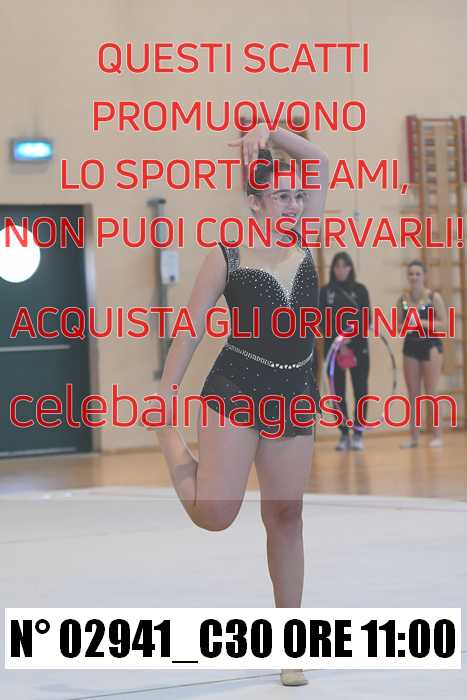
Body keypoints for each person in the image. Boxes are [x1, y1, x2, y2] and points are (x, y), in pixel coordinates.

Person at [147, 123, 329, 687]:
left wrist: (270, 132)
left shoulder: (307, 239)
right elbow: (192, 326)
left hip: (294, 394)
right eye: (281, 196)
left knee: (287, 516)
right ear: (254, 203)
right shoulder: (227, 255)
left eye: (297, 196)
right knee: (214, 514)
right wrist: (166, 393)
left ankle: (292, 645)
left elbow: (320, 159)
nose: (293, 205)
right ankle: (166, 438)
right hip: (238, 389)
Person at [319, 253, 372, 451]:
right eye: (337, 266)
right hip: (334, 349)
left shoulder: (360, 290)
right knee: (337, 393)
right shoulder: (325, 292)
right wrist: (339, 341)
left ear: (351, 268)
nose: (341, 270)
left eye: (345, 266)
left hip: (358, 349)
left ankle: (358, 433)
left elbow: (366, 319)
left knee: (361, 391)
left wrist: (350, 339)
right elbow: (321, 320)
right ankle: (343, 434)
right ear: (332, 269)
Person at [397, 260, 447, 448]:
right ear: (407, 276)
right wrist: (407, 324)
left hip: (430, 345)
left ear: (424, 276)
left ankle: (437, 435)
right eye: (411, 274)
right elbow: (398, 327)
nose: (414, 277)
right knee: (413, 394)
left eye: (418, 274)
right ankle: (414, 437)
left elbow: (444, 324)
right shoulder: (402, 300)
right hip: (411, 346)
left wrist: (422, 323)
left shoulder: (434, 297)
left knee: (431, 392)